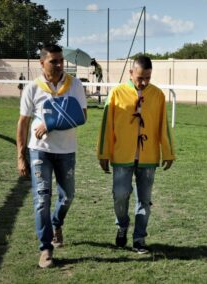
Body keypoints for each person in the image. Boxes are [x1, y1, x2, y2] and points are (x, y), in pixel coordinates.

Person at [16, 44, 87, 268]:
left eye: (60, 61)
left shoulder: (74, 85)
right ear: (41, 63)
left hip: (66, 151)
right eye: (53, 61)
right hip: (40, 151)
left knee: (67, 197)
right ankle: (45, 248)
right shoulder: (32, 88)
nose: (58, 65)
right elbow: (23, 123)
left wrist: (50, 123)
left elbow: (82, 116)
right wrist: (20, 156)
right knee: (41, 200)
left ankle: (57, 223)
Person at [97, 55, 175, 254]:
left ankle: (139, 238)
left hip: (148, 158)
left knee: (144, 201)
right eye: (140, 77)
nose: (144, 82)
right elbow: (107, 126)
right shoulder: (116, 93)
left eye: (148, 78)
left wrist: (168, 152)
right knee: (120, 195)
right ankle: (122, 225)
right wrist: (103, 153)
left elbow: (162, 125)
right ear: (131, 73)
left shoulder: (157, 95)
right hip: (122, 156)